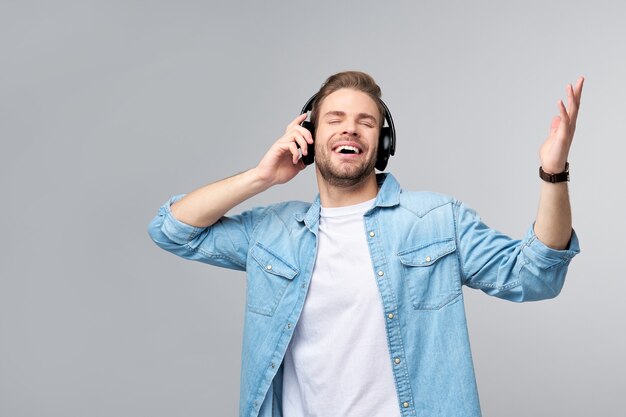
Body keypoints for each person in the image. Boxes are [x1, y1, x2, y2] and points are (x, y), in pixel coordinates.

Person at [148, 71, 584, 417]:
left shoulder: (435, 220)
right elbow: (171, 229)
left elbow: (536, 275)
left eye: (366, 121)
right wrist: (261, 177)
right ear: (308, 136)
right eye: (334, 119)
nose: (350, 130)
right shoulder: (272, 232)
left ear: (382, 144)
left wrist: (554, 172)